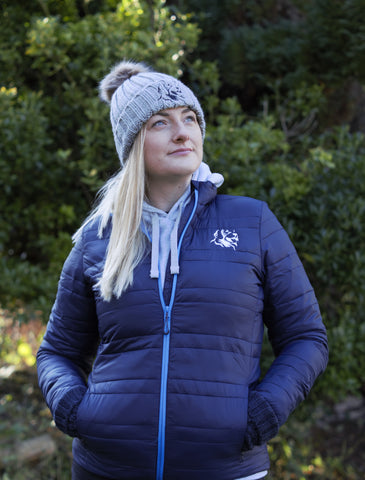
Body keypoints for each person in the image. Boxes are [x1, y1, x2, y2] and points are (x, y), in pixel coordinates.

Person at [37, 60, 328, 480]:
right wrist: (72, 408)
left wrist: (264, 411)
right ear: (133, 143)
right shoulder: (99, 237)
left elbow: (306, 338)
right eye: (160, 122)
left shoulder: (252, 223)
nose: (182, 132)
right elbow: (57, 352)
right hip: (107, 467)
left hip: (226, 468)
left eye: (189, 118)